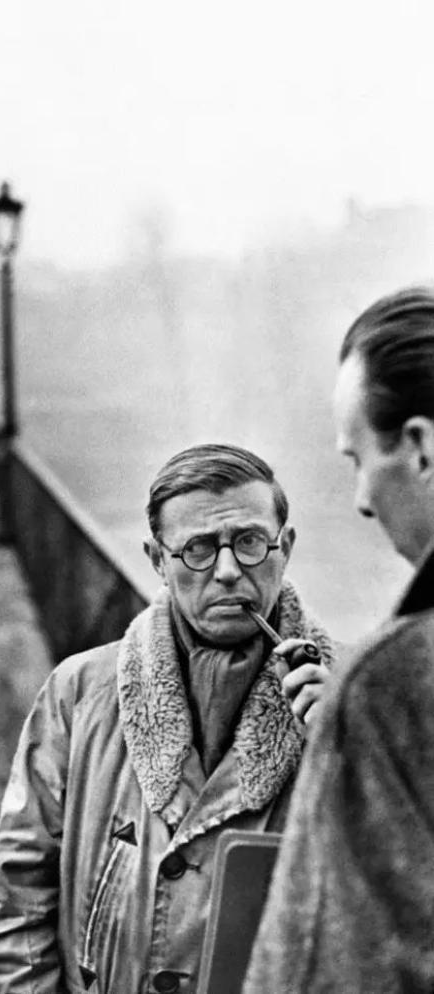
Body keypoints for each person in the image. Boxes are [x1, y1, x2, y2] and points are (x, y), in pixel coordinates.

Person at [0, 443, 336, 993]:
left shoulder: (357, 702)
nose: (228, 571)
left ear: (287, 547)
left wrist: (352, 755)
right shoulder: (79, 693)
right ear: (157, 560)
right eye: (197, 549)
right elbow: (13, 913)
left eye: (250, 542)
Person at [244, 286, 434, 994]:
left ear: (420, 448)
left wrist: (362, 723)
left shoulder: (392, 682)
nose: (360, 501)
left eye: (358, 460)